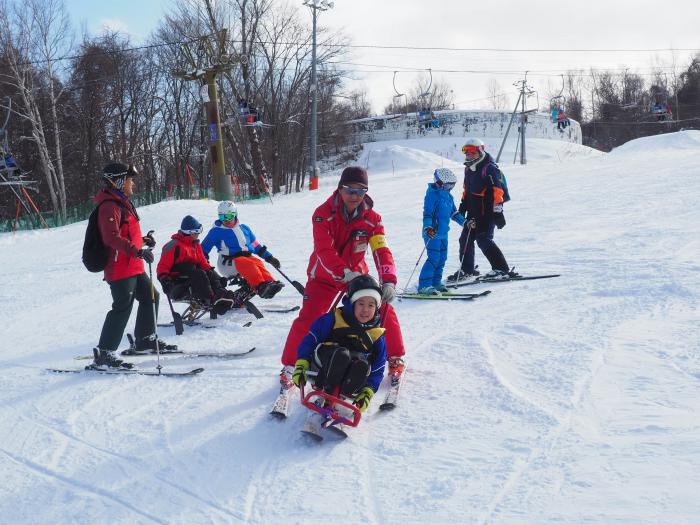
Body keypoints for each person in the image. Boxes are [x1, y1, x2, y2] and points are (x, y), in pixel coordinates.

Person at [279, 166, 406, 392]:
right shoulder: (323, 213)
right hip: (324, 275)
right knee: (310, 317)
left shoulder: (372, 219)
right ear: (340, 189)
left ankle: (394, 358)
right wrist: (343, 273)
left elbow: (381, 250)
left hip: (356, 276)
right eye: (350, 190)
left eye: (361, 191)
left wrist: (388, 279)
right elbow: (323, 249)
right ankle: (290, 366)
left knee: (383, 310)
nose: (355, 196)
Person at [91, 162, 170, 370]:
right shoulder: (109, 206)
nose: (132, 183)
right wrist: (138, 251)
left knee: (151, 297)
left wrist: (144, 241)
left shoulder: (122, 203)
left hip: (132, 264)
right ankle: (104, 353)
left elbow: (127, 235)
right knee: (122, 307)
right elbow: (111, 239)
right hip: (119, 267)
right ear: (117, 181)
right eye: (129, 179)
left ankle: (144, 338)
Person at [291, 275, 387, 415]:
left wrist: (369, 390)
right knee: (342, 355)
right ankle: (323, 394)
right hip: (323, 364)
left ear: (376, 308)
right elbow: (311, 339)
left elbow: (379, 366)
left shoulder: (376, 335)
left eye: (371, 305)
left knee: (361, 364)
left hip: (351, 375)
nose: (365, 309)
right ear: (352, 303)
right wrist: (302, 361)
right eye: (361, 303)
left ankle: (339, 400)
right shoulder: (335, 318)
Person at [447, 138, 514, 283]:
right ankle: (467, 269)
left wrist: (498, 212)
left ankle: (501, 269)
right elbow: (466, 190)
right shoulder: (468, 169)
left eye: (472, 152)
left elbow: (497, 191)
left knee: (483, 239)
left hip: (487, 212)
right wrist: (463, 207)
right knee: (465, 239)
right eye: (466, 152)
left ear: (480, 151)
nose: (468, 155)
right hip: (473, 211)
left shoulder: (489, 168)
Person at [200, 201, 284, 299]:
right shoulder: (216, 231)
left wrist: (269, 257)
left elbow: (256, 246)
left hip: (246, 259)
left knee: (258, 262)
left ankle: (270, 283)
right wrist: (203, 264)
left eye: (229, 216)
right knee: (247, 263)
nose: (226, 220)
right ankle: (260, 286)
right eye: (223, 217)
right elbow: (203, 249)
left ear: (235, 214)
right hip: (227, 262)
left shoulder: (245, 229)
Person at [156, 215, 236, 314]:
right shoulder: (173, 245)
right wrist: (165, 281)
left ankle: (221, 294)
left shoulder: (195, 244)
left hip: (193, 280)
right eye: (197, 232)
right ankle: (210, 299)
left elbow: (203, 263)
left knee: (208, 272)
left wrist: (218, 278)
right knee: (199, 272)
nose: (198, 235)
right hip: (177, 284)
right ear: (190, 233)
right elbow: (162, 267)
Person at [418, 168, 465, 295]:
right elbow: (427, 214)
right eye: (448, 185)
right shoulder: (432, 195)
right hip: (432, 233)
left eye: (452, 185)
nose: (450, 188)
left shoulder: (448, 196)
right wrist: (428, 228)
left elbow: (454, 213)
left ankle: (436, 283)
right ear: (439, 183)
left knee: (442, 258)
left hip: (443, 233)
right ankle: (424, 286)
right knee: (434, 258)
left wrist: (464, 222)